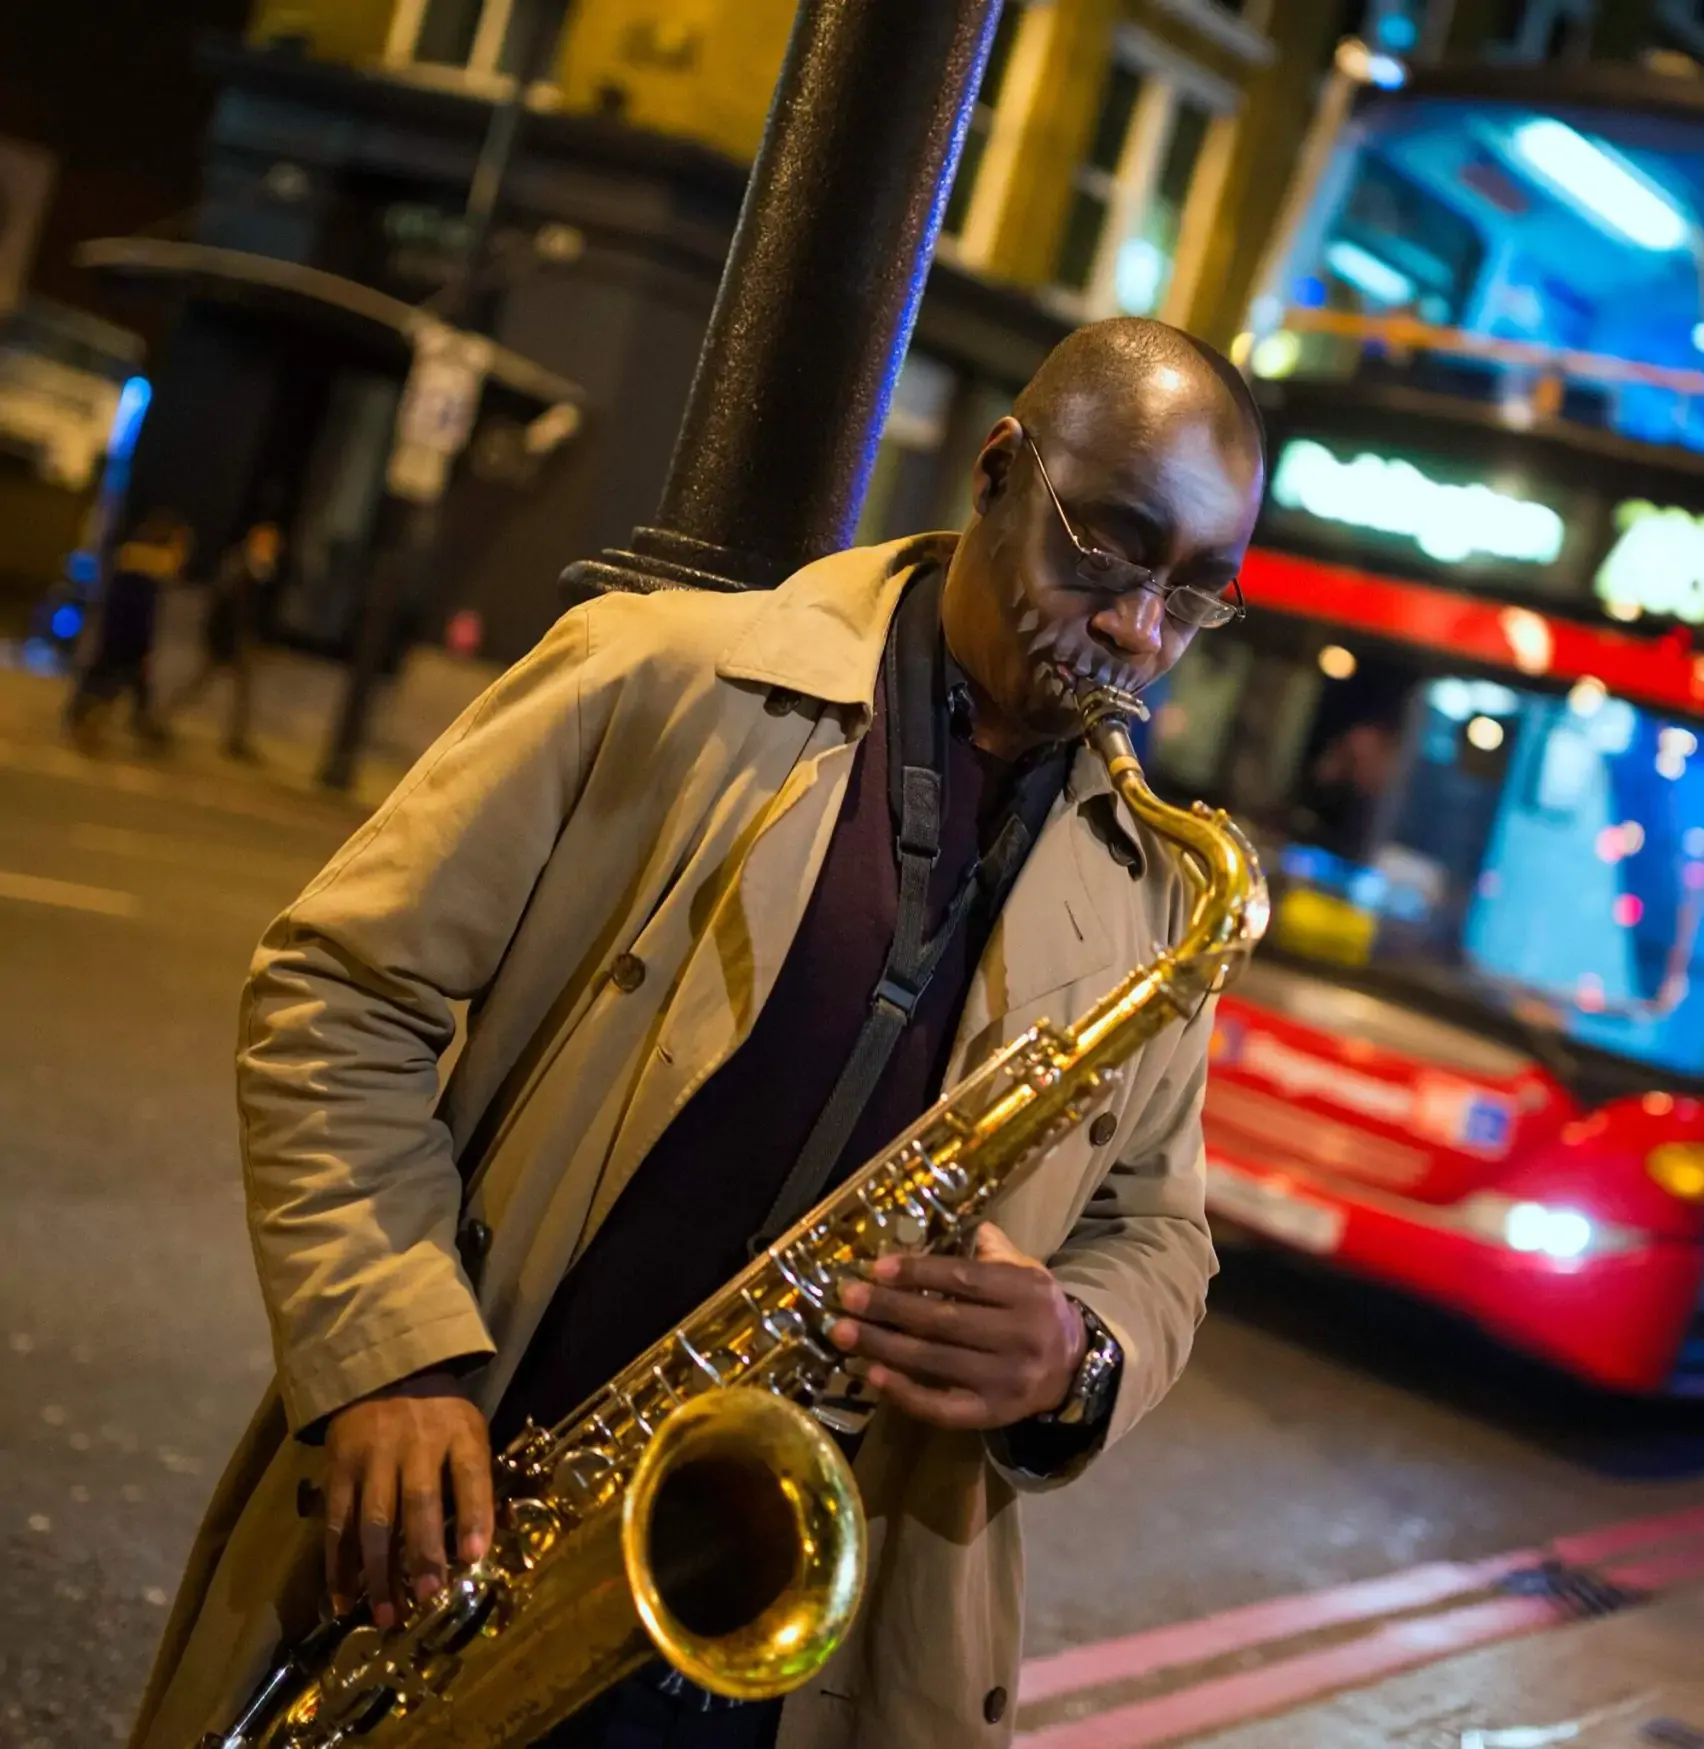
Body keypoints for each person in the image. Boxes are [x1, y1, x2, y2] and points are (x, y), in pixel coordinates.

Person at [128, 318, 1266, 1749]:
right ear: (996, 469)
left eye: (1194, 597)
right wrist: (392, 1357)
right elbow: (337, 990)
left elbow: (1160, 1229)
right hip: (454, 1529)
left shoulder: (1166, 894)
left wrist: (1078, 1355)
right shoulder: (651, 676)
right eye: (1106, 547)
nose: (1137, 630)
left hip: (785, 1658)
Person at [67, 508, 192, 754]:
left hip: (118, 638)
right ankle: (92, 724)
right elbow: (138, 615)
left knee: (120, 683)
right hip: (126, 641)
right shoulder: (146, 573)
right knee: (110, 684)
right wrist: (142, 646)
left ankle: (132, 724)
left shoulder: (134, 565)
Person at [166, 520, 283, 761]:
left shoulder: (256, 569)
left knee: (240, 690)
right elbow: (227, 606)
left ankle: (236, 740)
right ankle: (160, 718)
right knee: (200, 682)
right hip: (228, 639)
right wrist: (221, 638)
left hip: (238, 640)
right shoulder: (240, 567)